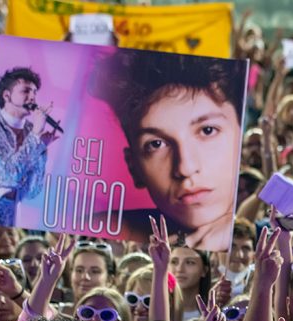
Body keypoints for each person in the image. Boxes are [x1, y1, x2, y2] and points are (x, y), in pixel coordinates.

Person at [89, 51, 247, 250]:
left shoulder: (272, 223)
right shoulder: (103, 228)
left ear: (241, 139)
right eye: (156, 144)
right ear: (134, 167)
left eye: (208, 130)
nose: (185, 168)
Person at [0, 67, 60, 228]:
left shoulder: (31, 129)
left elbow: (33, 191)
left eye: (35, 93)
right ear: (6, 95)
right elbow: (9, 174)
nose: (32, 98)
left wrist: (42, 147)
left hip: (19, 216)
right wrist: (36, 136)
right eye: (26, 91)